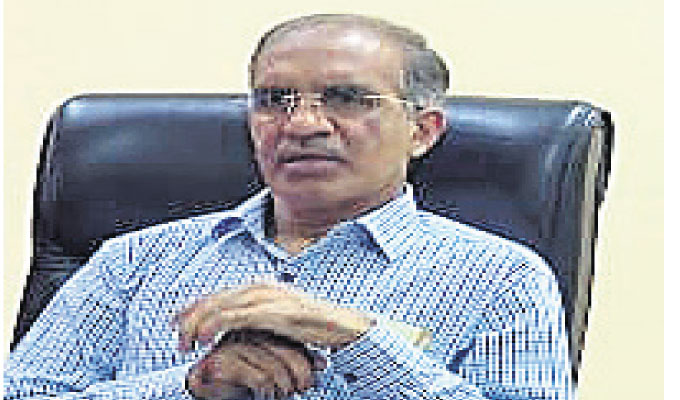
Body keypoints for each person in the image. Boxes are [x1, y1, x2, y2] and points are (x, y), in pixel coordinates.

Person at [4, 14, 573, 400]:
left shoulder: (501, 278)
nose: (301, 124)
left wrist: (360, 343)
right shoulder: (134, 261)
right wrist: (189, 386)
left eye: (347, 99)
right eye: (274, 100)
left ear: (422, 131)